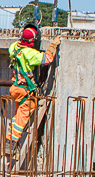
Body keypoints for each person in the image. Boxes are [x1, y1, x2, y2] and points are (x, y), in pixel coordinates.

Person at [5, 26, 59, 155]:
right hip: (24, 90)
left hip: (16, 88)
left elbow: (15, 46)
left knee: (18, 114)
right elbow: (47, 59)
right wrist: (53, 45)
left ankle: (11, 135)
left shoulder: (14, 48)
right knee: (24, 114)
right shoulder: (29, 54)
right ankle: (11, 141)